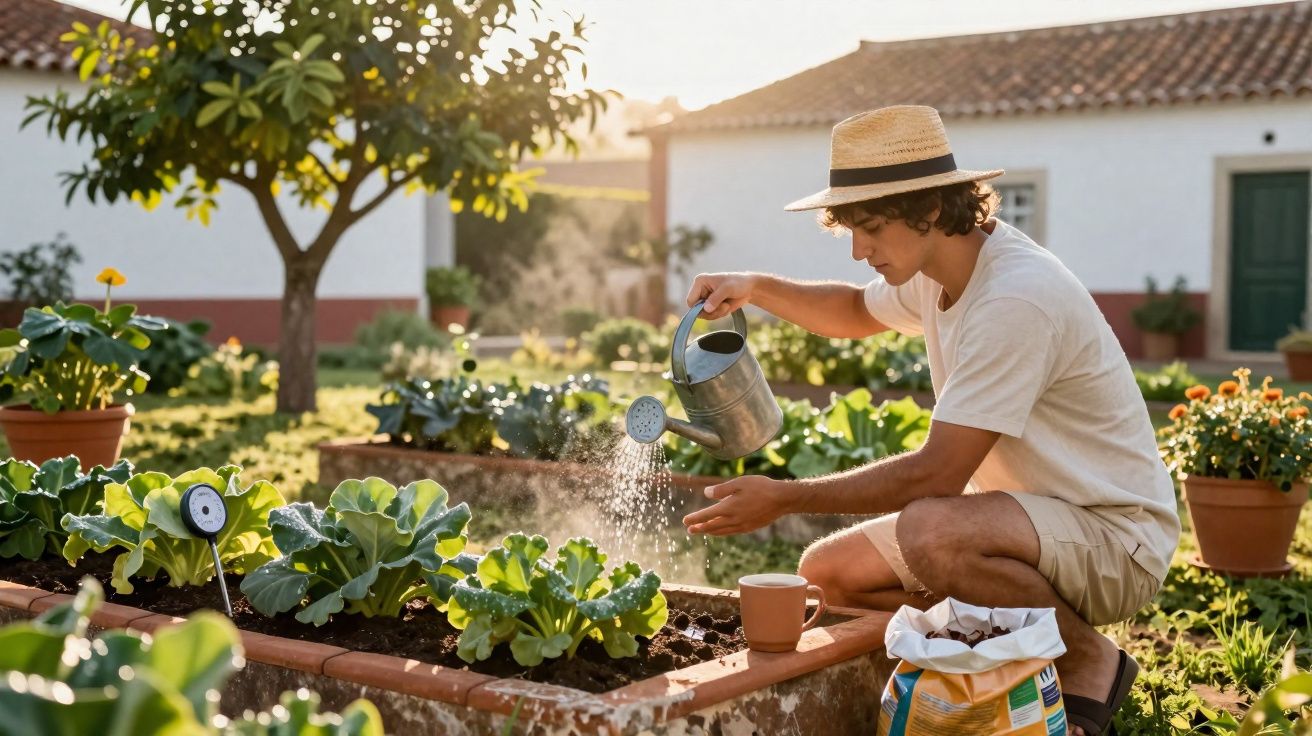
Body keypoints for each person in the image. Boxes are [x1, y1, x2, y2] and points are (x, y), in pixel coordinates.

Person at [680, 105, 1179, 736]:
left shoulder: (1015, 297)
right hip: (1026, 522)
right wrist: (754, 286)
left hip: (1113, 537)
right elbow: (854, 310)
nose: (859, 250)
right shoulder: (940, 269)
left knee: (932, 531)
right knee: (827, 577)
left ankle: (1086, 658)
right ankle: (977, 658)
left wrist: (786, 497)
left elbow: (936, 475)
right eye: (851, 230)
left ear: (933, 208)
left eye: (872, 228)